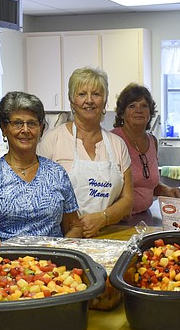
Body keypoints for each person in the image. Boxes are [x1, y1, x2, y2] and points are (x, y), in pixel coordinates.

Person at [37, 66, 134, 237]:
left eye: (96, 94)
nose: (89, 100)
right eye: (82, 94)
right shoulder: (53, 140)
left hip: (108, 236)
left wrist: (103, 218)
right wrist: (75, 226)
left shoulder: (118, 145)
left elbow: (127, 200)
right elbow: (39, 193)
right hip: (63, 237)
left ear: (104, 101)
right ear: (71, 100)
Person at [0, 91, 82, 239]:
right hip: (5, 259)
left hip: (52, 259)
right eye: (17, 123)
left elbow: (74, 226)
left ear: (41, 129)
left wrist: (60, 253)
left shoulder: (56, 173)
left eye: (32, 123)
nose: (25, 130)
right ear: (4, 129)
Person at [111, 83, 180, 214]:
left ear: (150, 112)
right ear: (122, 113)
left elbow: (145, 184)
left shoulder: (152, 141)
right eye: (132, 106)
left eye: (144, 106)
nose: (139, 110)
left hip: (143, 216)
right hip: (118, 220)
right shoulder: (113, 140)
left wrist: (165, 190)